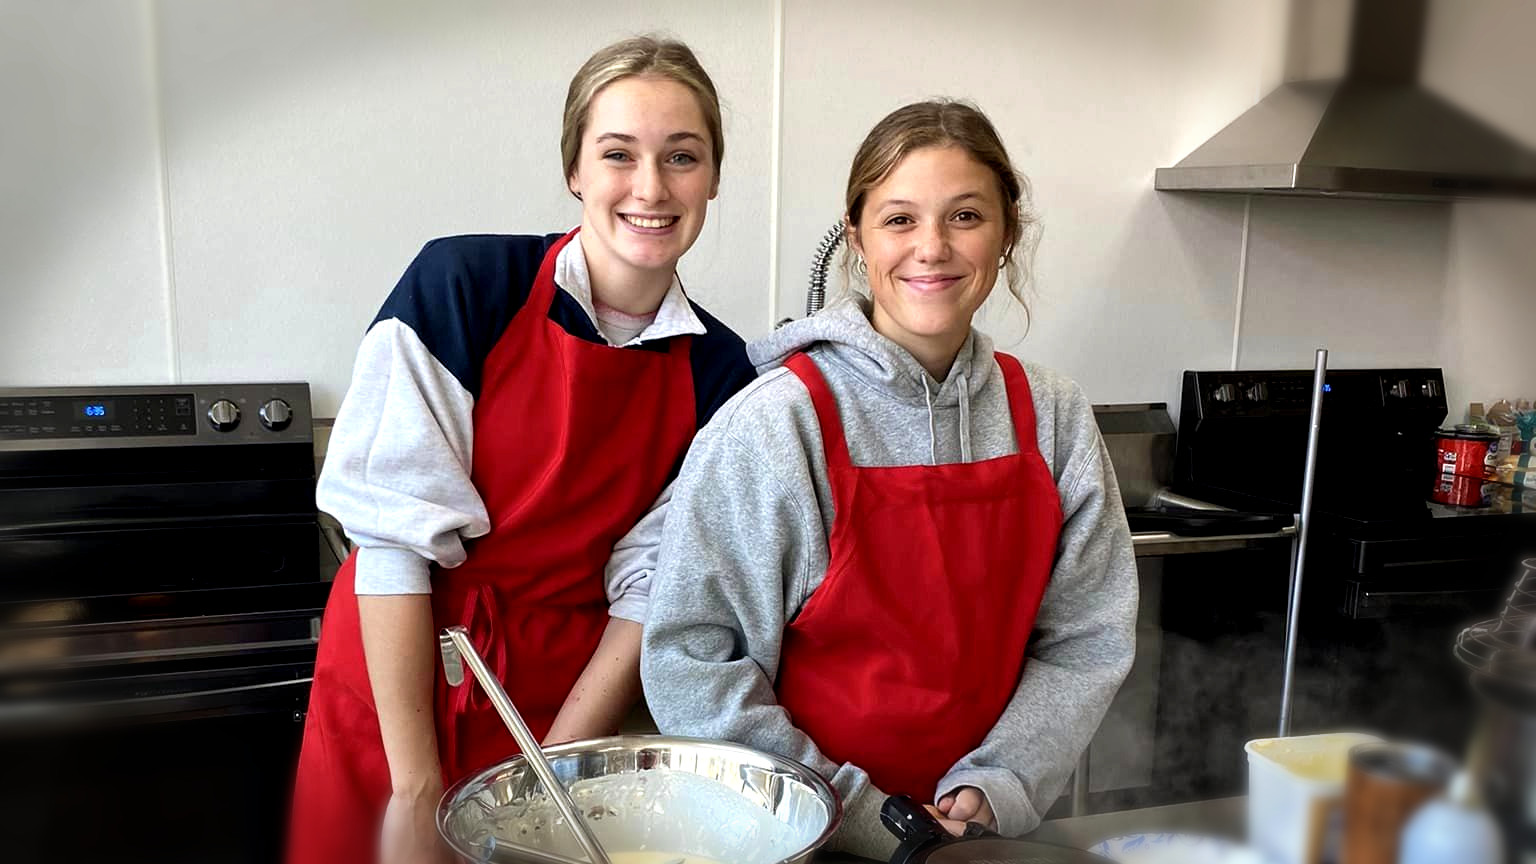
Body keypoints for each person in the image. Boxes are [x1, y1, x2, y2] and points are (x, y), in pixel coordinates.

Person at [288, 36, 755, 864]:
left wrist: (549, 785)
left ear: (714, 178)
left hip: (555, 700)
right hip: (397, 683)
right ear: (575, 169)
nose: (651, 187)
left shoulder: (720, 371)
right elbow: (393, 541)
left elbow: (649, 592)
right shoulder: (461, 288)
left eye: (682, 157)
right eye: (619, 155)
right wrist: (416, 792)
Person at [640, 100, 1138, 859]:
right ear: (858, 236)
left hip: (982, 831)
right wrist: (871, 820)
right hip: (798, 836)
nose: (931, 248)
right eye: (900, 219)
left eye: (965, 216)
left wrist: (996, 783)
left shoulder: (1053, 415)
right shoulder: (778, 424)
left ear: (1007, 233)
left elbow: (1088, 636)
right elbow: (694, 665)